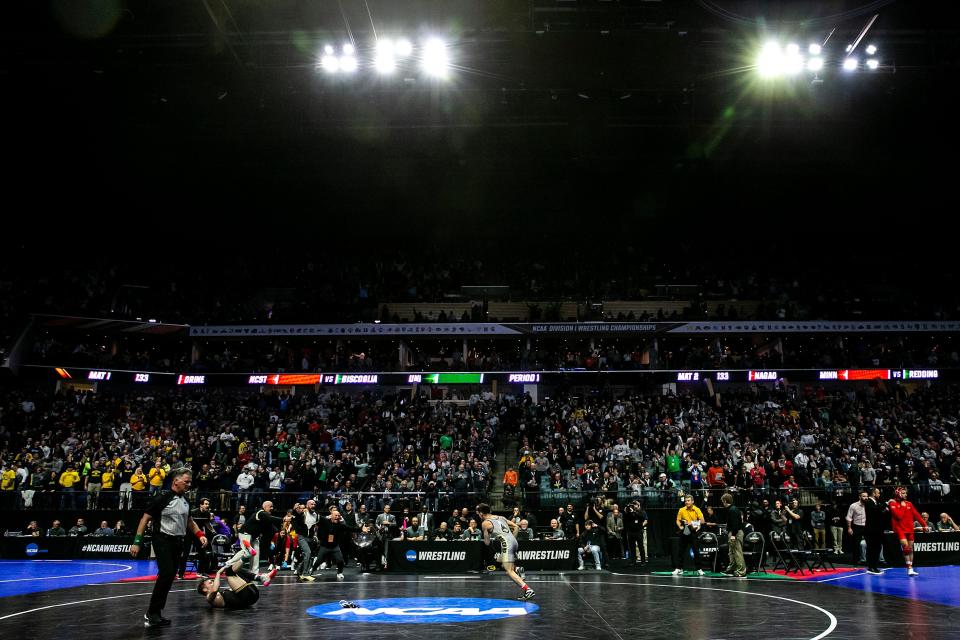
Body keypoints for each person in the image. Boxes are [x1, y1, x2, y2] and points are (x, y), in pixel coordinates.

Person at [130, 468, 209, 627]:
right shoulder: (162, 497)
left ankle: (156, 612)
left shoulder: (186, 500)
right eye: (186, 482)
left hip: (177, 542)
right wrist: (137, 542)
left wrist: (200, 535)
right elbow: (145, 519)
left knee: (170, 575)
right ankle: (152, 612)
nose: (189, 484)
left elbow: (190, 522)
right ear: (176, 481)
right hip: (162, 540)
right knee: (166, 573)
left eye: (190, 482)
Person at [477, 503, 535, 600]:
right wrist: (512, 539)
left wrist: (488, 537)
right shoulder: (501, 517)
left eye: (478, 513)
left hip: (506, 544)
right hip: (514, 541)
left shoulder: (485, 523)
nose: (478, 515)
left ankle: (528, 590)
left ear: (482, 513)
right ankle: (517, 569)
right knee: (501, 562)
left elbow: (487, 543)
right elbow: (516, 527)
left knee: (509, 571)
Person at [196, 545, 277, 610]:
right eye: (210, 582)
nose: (213, 582)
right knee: (229, 572)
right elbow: (214, 590)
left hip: (252, 595)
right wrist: (218, 573)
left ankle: (262, 578)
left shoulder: (221, 594)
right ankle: (245, 556)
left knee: (235, 570)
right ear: (204, 589)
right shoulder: (209, 598)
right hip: (247, 597)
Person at [238, 501, 287, 575]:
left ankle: (254, 574)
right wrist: (283, 519)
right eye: (270, 506)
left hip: (254, 537)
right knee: (247, 553)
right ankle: (230, 565)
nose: (272, 508)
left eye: (272, 506)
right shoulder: (260, 512)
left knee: (256, 555)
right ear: (265, 507)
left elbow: (272, 527)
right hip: (245, 534)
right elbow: (270, 518)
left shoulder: (265, 517)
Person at [888, 486, 929, 576]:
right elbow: (898, 516)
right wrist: (902, 507)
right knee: (906, 548)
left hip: (909, 529)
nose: (905, 495)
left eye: (906, 493)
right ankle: (909, 568)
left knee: (910, 549)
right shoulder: (892, 503)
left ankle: (911, 567)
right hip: (900, 529)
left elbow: (917, 515)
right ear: (898, 493)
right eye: (903, 493)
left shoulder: (909, 503)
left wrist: (925, 525)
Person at [674, 494, 705, 576]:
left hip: (694, 531)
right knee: (681, 551)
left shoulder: (697, 509)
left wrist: (692, 522)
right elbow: (678, 520)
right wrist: (680, 526)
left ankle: (699, 569)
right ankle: (679, 568)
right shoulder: (681, 510)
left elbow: (702, 521)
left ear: (692, 501)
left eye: (688, 501)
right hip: (685, 530)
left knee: (696, 551)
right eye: (685, 501)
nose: (686, 502)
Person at [863, 488, 889, 575]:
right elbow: (874, 510)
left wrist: (884, 511)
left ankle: (874, 566)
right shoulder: (868, 501)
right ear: (874, 493)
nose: (879, 495)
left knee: (877, 548)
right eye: (878, 493)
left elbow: (877, 514)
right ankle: (871, 567)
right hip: (871, 530)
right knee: (872, 548)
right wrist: (885, 504)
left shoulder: (876, 502)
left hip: (877, 530)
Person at [721, 493, 746, 578]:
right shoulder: (731, 509)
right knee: (731, 552)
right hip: (734, 532)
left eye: (722, 501)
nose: (722, 503)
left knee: (737, 552)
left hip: (736, 532)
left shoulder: (733, 510)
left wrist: (733, 536)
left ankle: (741, 571)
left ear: (725, 501)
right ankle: (732, 569)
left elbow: (735, 525)